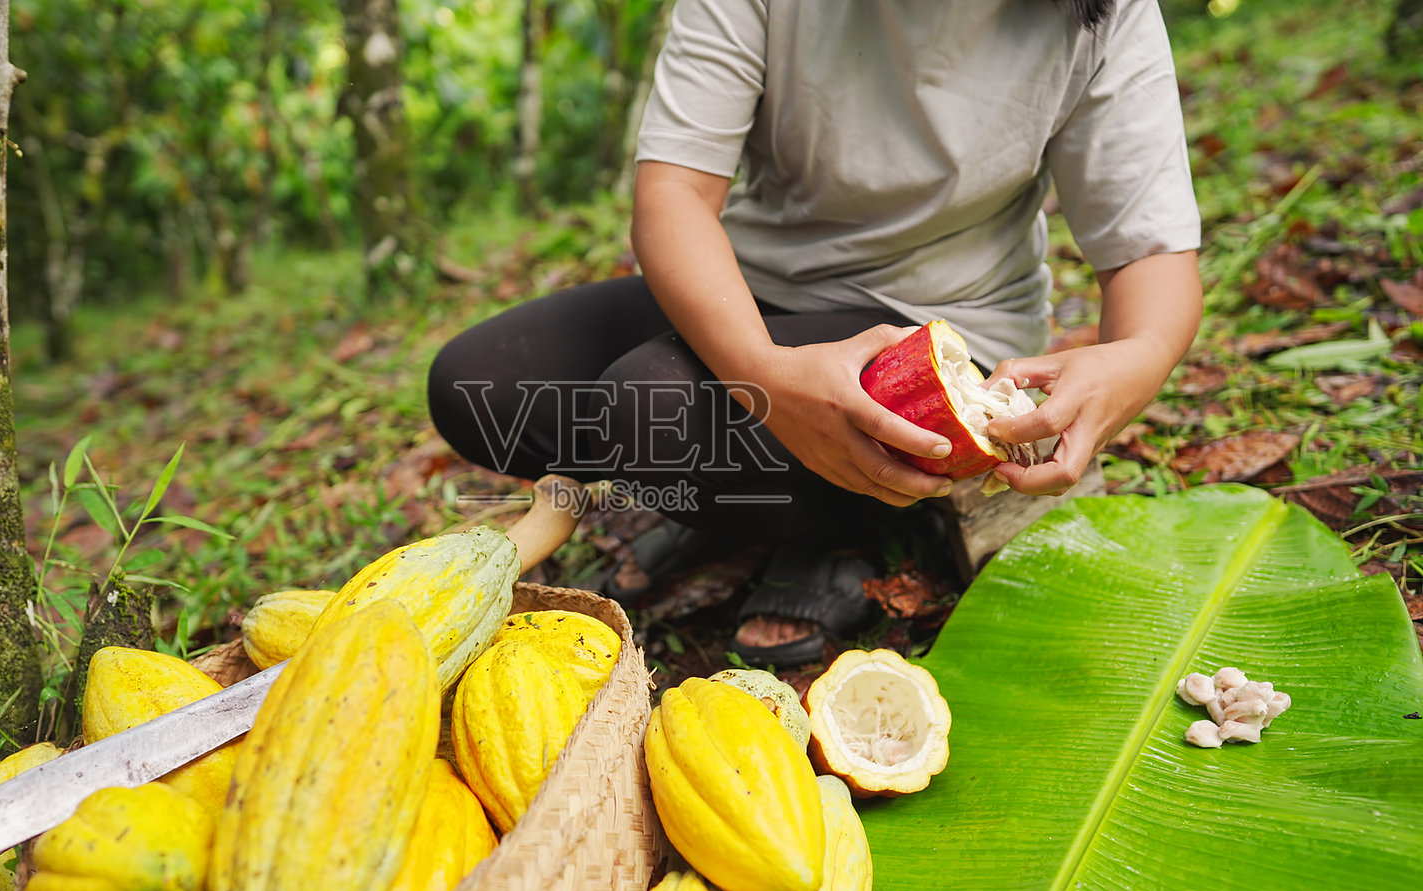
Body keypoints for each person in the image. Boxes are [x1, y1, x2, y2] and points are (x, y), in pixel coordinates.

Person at [427, 0, 1203, 665]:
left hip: (938, 335)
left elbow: (1150, 253)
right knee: (479, 388)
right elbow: (675, 199)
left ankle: (845, 526)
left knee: (644, 410)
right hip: (752, 298)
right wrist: (763, 374)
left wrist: (1134, 362)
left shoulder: (1105, 14)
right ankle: (750, 498)